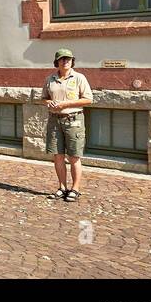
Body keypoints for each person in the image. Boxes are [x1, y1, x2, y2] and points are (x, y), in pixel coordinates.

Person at [43, 48, 94, 202]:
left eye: (68, 59)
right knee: (58, 156)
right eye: (62, 59)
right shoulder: (50, 79)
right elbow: (44, 98)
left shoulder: (79, 78)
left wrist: (66, 104)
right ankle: (62, 187)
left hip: (73, 120)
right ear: (56, 62)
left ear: (72, 61)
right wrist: (48, 102)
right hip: (54, 120)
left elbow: (88, 99)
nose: (65, 61)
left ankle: (75, 189)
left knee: (74, 157)